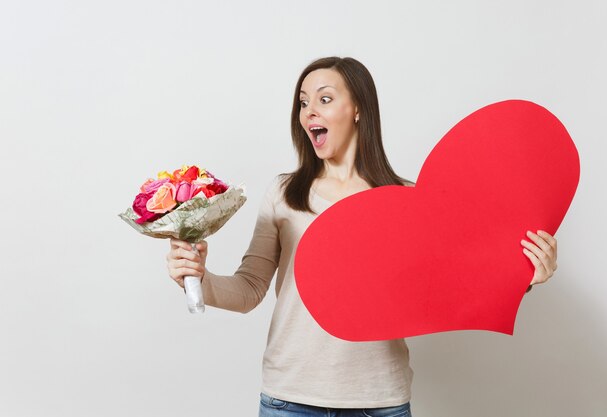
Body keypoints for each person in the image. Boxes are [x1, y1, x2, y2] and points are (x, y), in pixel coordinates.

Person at [166, 57, 558, 417]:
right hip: (291, 399)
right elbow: (251, 288)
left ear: (357, 109)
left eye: (324, 98)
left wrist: (524, 276)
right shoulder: (283, 193)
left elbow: (452, 286)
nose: (310, 112)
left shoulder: (406, 199)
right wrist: (200, 278)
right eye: (303, 102)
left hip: (379, 400)